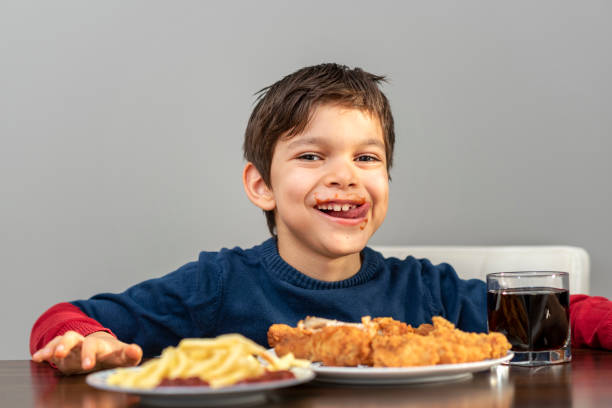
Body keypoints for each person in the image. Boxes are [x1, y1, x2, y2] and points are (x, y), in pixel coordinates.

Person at [30, 63, 612, 375]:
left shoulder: (426, 289)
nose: (345, 176)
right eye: (312, 156)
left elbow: (572, 317)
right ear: (262, 186)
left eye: (367, 158)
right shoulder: (217, 284)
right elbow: (67, 319)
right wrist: (85, 342)